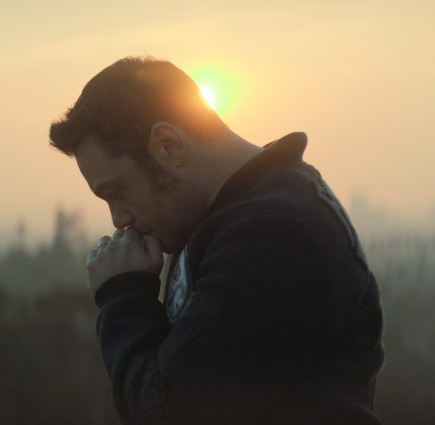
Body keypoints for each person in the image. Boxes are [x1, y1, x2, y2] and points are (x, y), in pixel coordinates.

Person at [49, 56, 385, 425]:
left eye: (117, 191)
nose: (119, 219)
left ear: (168, 146)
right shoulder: (220, 218)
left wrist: (123, 297)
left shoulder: (272, 236)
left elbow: (169, 412)